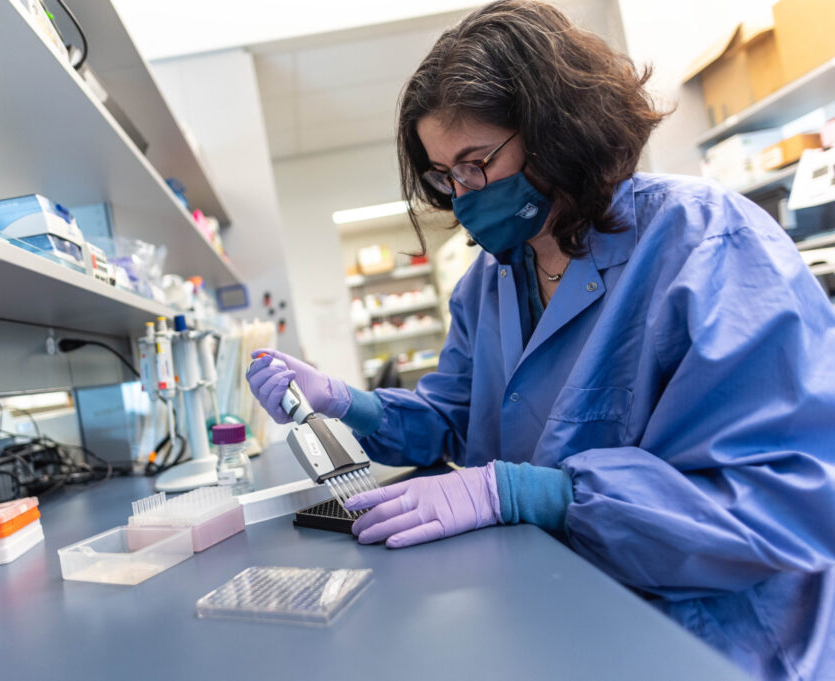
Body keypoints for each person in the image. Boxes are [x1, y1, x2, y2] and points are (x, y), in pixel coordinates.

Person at [246, 2, 835, 679]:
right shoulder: (491, 282)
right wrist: (348, 402)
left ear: (555, 130)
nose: (461, 193)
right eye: (444, 175)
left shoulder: (706, 244)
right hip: (565, 608)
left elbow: (781, 498)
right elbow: (453, 419)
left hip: (718, 634)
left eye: (475, 162)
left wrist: (534, 493)